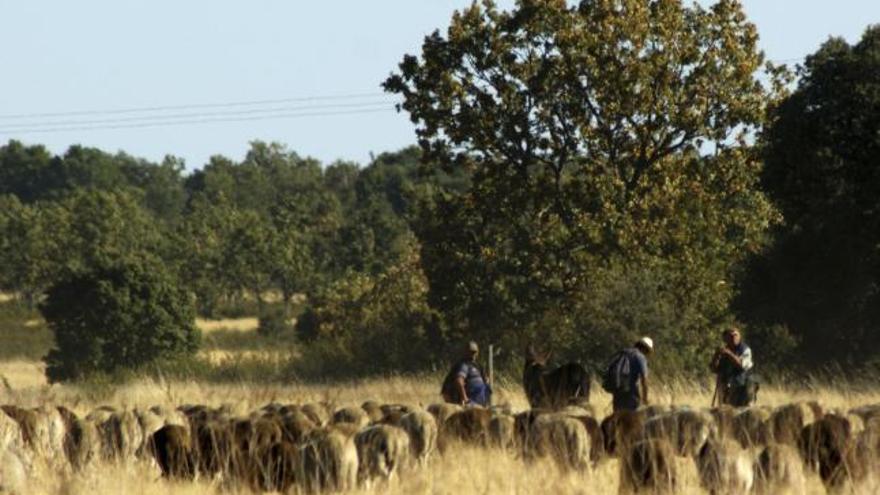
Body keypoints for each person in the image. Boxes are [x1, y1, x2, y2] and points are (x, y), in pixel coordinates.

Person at [602, 337, 653, 412]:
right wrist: (645, 398)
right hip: (631, 393)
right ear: (646, 349)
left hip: (618, 391)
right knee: (632, 419)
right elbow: (644, 379)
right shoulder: (640, 357)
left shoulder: (623, 353)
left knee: (617, 417)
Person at [710, 327, 756, 407]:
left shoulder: (745, 349)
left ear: (740, 336)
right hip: (727, 387)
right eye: (730, 336)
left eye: (736, 335)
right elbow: (714, 369)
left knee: (743, 411)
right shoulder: (723, 351)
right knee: (725, 413)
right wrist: (716, 356)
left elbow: (742, 365)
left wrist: (729, 354)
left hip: (742, 386)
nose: (733, 337)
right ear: (725, 338)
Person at [441, 341, 492, 407]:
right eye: (470, 352)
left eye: (474, 352)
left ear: (477, 353)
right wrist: (464, 398)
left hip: (480, 401)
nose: (472, 354)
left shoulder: (478, 366)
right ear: (465, 352)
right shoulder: (463, 365)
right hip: (468, 401)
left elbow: (486, 381)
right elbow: (459, 380)